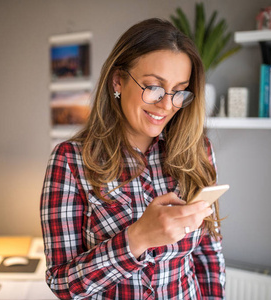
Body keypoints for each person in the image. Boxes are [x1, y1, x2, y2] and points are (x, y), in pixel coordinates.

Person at [40, 18, 225, 299]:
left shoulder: (197, 152)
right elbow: (62, 284)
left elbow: (209, 255)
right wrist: (136, 239)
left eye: (179, 91)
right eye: (153, 87)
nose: (166, 104)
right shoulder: (70, 161)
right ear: (118, 81)